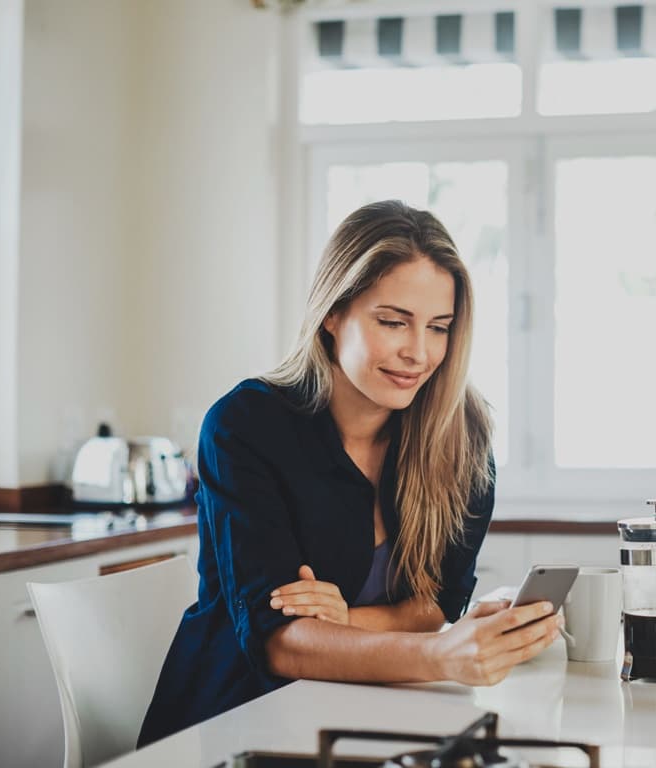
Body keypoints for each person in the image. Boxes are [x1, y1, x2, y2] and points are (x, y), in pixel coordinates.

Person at [138, 200, 562, 747]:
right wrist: (438, 653)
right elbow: (280, 645)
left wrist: (347, 621)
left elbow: (435, 606)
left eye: (439, 327)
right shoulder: (244, 427)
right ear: (332, 313)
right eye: (393, 322)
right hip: (235, 720)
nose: (419, 353)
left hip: (374, 713)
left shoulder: (463, 440)